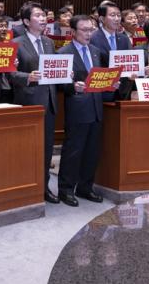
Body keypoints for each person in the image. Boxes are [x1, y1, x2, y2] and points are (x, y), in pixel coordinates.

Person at [57, 15, 116, 207]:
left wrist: (110, 84)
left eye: (91, 30)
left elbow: (99, 79)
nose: (88, 34)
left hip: (96, 108)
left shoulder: (96, 52)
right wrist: (72, 86)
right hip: (77, 109)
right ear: (73, 32)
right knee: (73, 151)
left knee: (92, 151)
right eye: (84, 30)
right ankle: (66, 189)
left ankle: (85, 187)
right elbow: (58, 83)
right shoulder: (63, 53)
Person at [9, 2, 59, 204]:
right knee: (28, 149)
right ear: (26, 21)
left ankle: (44, 187)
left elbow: (54, 69)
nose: (43, 18)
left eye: (43, 15)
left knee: (46, 149)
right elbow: (10, 73)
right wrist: (27, 77)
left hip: (49, 102)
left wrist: (65, 73)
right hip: (28, 102)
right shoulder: (16, 43)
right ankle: (26, 189)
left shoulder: (49, 42)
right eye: (37, 15)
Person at [90, 1, 132, 100]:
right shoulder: (92, 38)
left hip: (122, 92)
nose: (117, 19)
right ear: (102, 19)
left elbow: (129, 63)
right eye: (112, 15)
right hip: (102, 92)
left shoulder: (124, 39)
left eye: (118, 15)